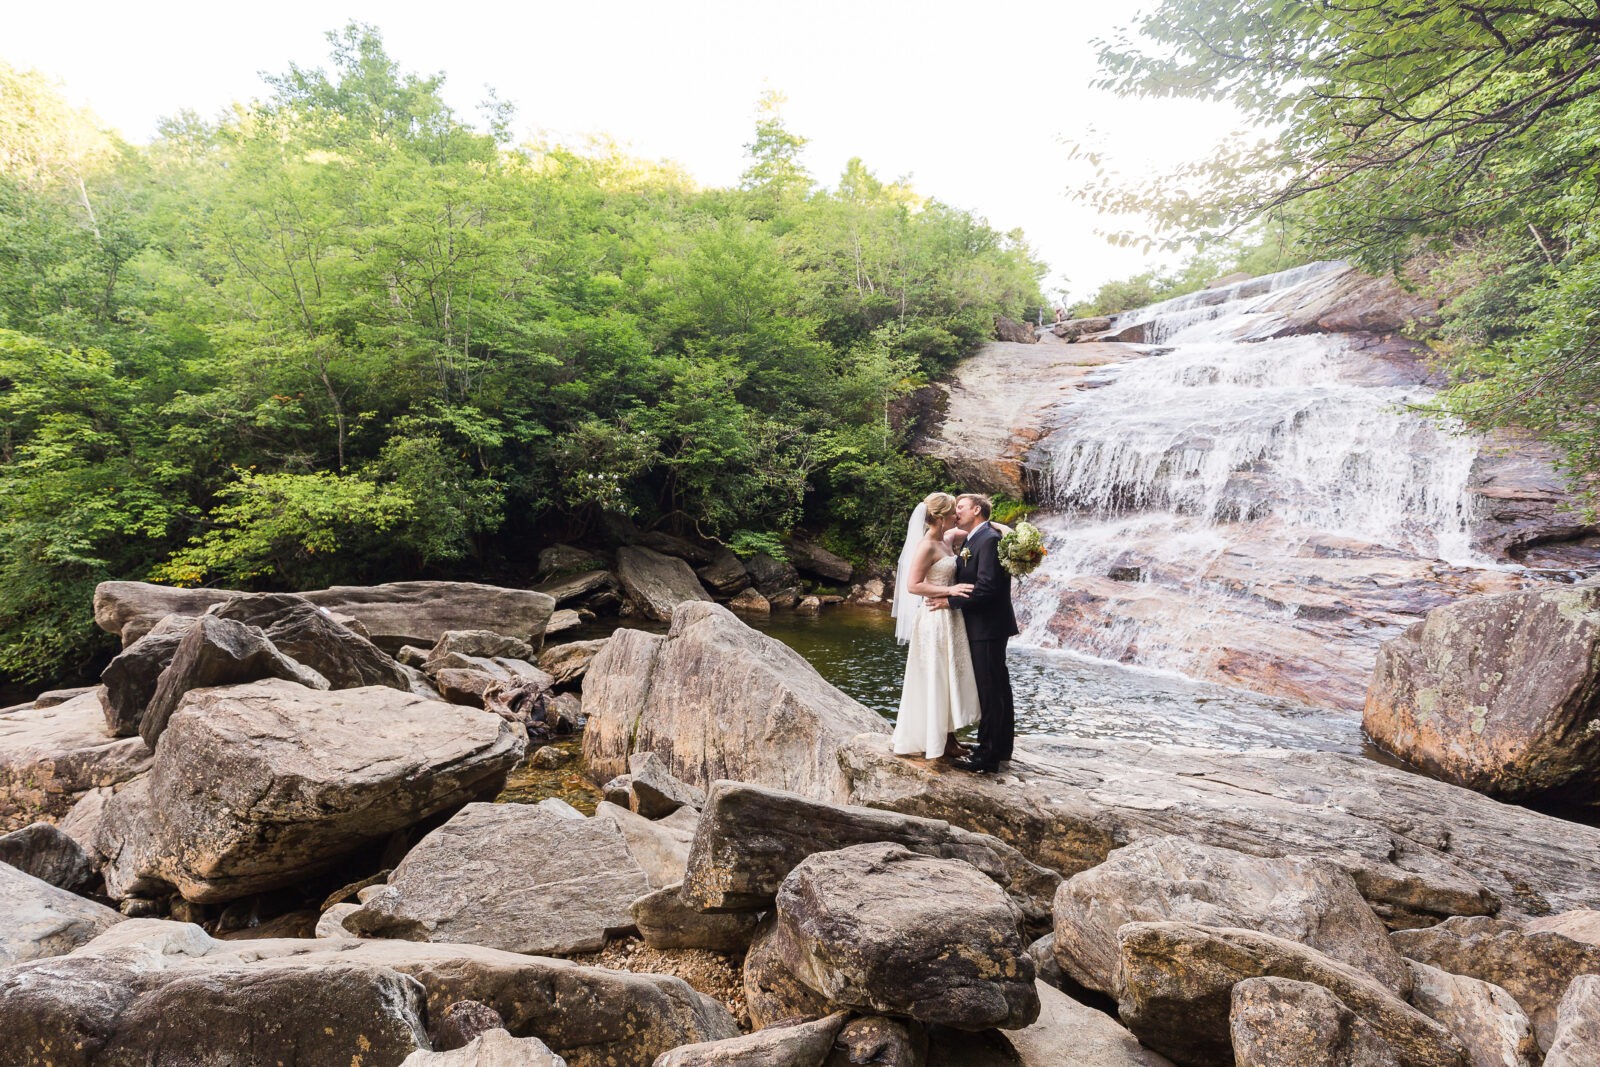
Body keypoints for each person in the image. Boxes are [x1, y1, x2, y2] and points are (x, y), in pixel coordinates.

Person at [927, 492, 1019, 773]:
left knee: (991, 690)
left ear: (977, 510)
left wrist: (949, 601)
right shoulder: (975, 537)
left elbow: (988, 587)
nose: (957, 512)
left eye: (962, 507)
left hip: (987, 626)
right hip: (983, 624)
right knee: (996, 687)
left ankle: (988, 757)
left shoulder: (987, 539)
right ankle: (999, 748)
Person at [889, 492, 980, 760]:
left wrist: (999, 528)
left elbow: (979, 531)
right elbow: (913, 585)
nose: (957, 516)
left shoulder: (948, 538)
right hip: (933, 619)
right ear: (940, 517)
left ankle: (949, 738)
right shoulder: (926, 545)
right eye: (953, 512)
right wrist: (950, 590)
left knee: (948, 678)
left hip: (949, 618)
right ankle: (937, 740)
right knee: (936, 676)